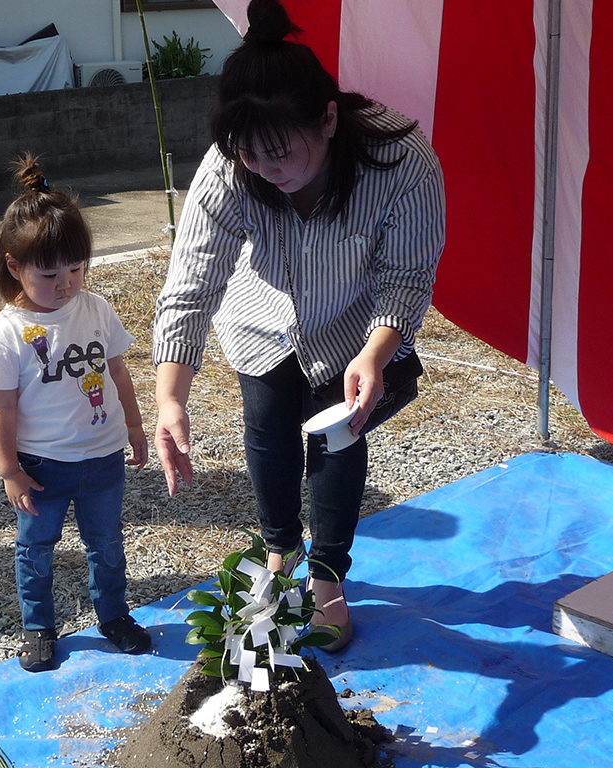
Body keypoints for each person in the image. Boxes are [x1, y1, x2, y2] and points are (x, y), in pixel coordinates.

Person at [152, 0, 445, 650]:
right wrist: (170, 397)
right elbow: (191, 287)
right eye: (251, 154)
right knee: (268, 427)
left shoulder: (402, 163)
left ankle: (329, 578)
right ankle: (280, 554)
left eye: (282, 150)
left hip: (350, 324)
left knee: (338, 438)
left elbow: (407, 277)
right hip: (259, 317)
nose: (268, 167)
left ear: (329, 118)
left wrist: (377, 349)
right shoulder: (228, 171)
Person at [0, 155, 152, 672]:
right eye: (50, 274)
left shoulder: (95, 309)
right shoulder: (8, 333)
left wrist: (135, 427)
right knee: (36, 548)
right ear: (14, 266)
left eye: (76, 269)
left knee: (106, 542)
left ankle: (114, 616)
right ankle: (38, 627)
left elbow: (118, 373)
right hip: (41, 467)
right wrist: (9, 470)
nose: (67, 283)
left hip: (101, 458)